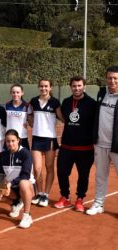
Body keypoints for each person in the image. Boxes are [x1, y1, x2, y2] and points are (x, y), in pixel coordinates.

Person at [54, 76, 96, 212]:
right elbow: (63, 119)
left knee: (83, 175)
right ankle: (65, 196)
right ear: (70, 87)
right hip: (67, 146)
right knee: (61, 171)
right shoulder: (66, 102)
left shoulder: (92, 103)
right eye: (74, 86)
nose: (76, 88)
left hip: (85, 148)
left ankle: (80, 199)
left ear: (84, 86)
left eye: (79, 86)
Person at [86, 66, 118, 215]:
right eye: (110, 78)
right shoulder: (101, 93)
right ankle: (99, 204)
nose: (112, 81)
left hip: (116, 145)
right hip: (100, 143)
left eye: (115, 78)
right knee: (100, 176)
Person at [29, 79, 64, 207]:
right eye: (41, 86)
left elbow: (62, 118)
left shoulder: (55, 102)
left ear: (50, 88)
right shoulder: (33, 101)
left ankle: (46, 195)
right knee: (37, 169)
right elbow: (29, 114)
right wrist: (30, 121)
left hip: (50, 139)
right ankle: (39, 193)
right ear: (39, 87)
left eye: (46, 86)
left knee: (49, 167)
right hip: (36, 139)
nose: (43, 88)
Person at [0, 129, 34, 228]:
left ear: (18, 140)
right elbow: (0, 173)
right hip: (12, 189)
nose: (10, 143)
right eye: (8, 141)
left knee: (23, 183)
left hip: (27, 187)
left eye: (13, 141)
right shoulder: (3, 155)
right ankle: (15, 204)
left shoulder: (25, 153)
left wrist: (10, 184)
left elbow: (26, 175)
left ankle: (27, 215)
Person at [5, 84, 31, 150]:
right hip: (9, 137)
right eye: (13, 92)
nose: (15, 94)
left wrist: (28, 122)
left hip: (22, 137)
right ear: (11, 93)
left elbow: (31, 121)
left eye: (18, 92)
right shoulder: (7, 105)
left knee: (24, 158)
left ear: (22, 93)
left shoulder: (27, 105)